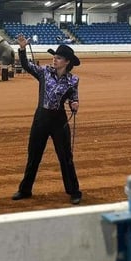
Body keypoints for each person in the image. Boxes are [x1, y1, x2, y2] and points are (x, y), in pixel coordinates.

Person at [12, 34, 82, 204]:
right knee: (33, 155)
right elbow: (27, 66)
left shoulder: (73, 80)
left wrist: (75, 102)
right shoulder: (44, 72)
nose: (54, 60)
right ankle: (25, 189)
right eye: (54, 57)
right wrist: (22, 49)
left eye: (58, 58)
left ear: (67, 62)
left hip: (60, 120)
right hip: (41, 118)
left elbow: (74, 96)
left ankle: (74, 191)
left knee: (65, 156)